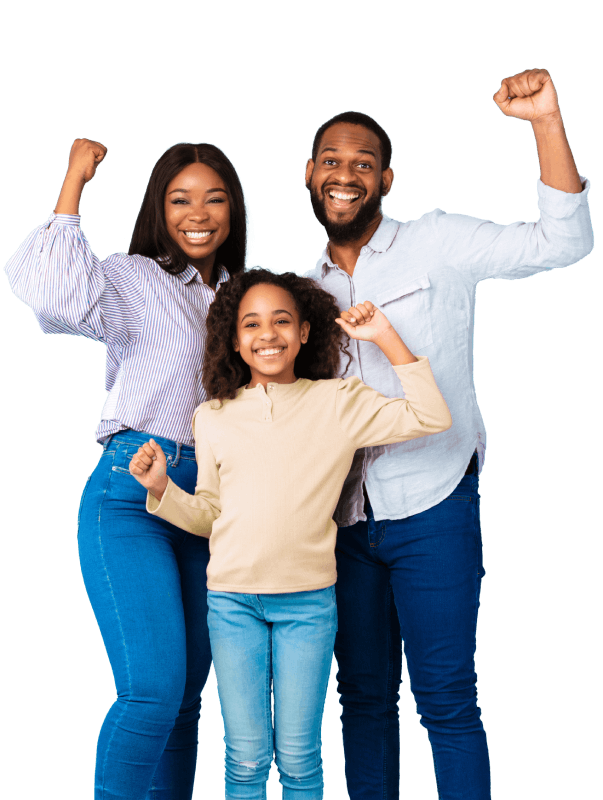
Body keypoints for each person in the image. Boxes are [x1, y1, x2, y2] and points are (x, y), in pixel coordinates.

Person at [301, 68, 594, 800]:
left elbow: (564, 242)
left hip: (434, 503)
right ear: (309, 174)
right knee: (362, 699)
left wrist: (545, 121)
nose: (345, 175)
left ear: (386, 179)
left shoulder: (438, 241)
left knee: (445, 699)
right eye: (331, 161)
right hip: (343, 522)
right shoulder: (302, 292)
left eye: (363, 163)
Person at [127, 266, 453, 799]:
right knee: (245, 760)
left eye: (281, 321)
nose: (268, 334)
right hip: (232, 603)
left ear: (304, 331)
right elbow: (210, 514)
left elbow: (431, 415)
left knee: (300, 760)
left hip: (308, 603)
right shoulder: (213, 417)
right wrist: (162, 488)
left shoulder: (339, 401)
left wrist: (384, 336)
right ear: (235, 341)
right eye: (251, 324)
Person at [3, 138, 253, 799]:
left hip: (212, 506)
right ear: (158, 211)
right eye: (180, 200)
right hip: (132, 492)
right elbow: (55, 297)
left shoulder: (244, 298)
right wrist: (74, 181)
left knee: (187, 696)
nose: (198, 213)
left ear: (233, 210)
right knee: (151, 691)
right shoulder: (133, 277)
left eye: (214, 199)